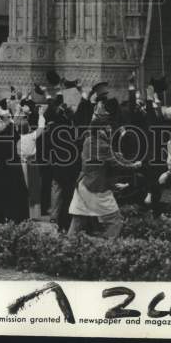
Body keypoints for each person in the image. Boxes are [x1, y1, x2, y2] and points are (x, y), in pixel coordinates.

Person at [68, 96, 141, 238]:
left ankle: (66, 248)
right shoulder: (102, 145)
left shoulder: (89, 140)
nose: (109, 130)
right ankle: (107, 250)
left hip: (82, 184)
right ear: (100, 130)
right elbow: (115, 163)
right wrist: (134, 166)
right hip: (95, 188)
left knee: (78, 220)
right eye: (106, 128)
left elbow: (110, 157)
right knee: (116, 221)